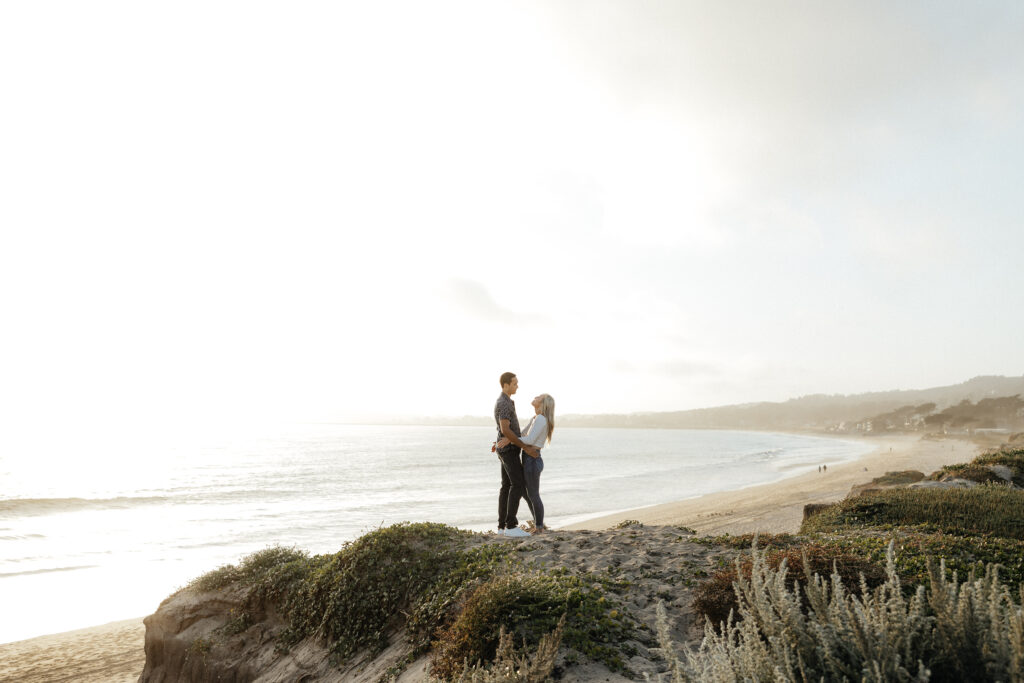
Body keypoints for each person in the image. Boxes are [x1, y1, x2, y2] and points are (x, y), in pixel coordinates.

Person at [499, 393, 555, 534]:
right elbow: (522, 435)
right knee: (526, 492)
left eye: (538, 397)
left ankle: (540, 527)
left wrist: (509, 440)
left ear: (542, 403)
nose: (535, 397)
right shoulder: (536, 418)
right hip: (528, 458)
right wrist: (506, 438)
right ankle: (538, 523)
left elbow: (529, 440)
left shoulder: (541, 419)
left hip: (532, 460)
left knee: (533, 494)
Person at [493, 372, 539, 538]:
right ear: (506, 385)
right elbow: (505, 429)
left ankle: (502, 527)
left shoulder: (506, 401)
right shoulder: (504, 403)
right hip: (509, 451)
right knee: (518, 485)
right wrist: (524, 447)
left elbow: (507, 430)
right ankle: (511, 526)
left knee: (506, 486)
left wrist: (506, 438)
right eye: (514, 383)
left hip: (506, 449)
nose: (517, 386)